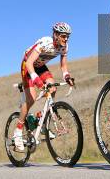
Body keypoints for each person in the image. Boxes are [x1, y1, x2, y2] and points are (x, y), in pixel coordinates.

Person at [13, 22, 75, 151]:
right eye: (63, 36)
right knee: (31, 98)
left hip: (40, 67)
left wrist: (67, 77)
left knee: (52, 88)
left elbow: (63, 66)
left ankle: (40, 118)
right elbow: (29, 63)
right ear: (55, 35)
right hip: (28, 65)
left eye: (68, 36)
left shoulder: (64, 47)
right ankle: (18, 131)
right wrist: (36, 80)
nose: (66, 39)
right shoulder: (45, 43)